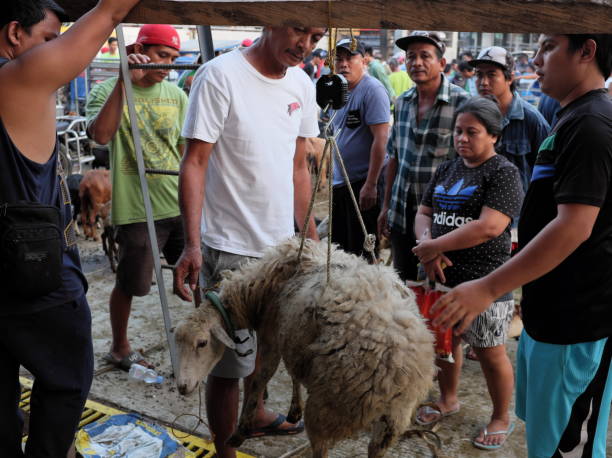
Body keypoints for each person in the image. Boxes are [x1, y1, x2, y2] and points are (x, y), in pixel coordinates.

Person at [432, 34, 612, 457]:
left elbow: (573, 228)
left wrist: (488, 288)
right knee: (546, 437)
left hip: (577, 320)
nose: (536, 59)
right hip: (550, 312)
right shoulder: (570, 117)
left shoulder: (592, 124)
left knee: (568, 445)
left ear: (586, 50)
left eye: (549, 46)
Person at [173, 26, 326, 458]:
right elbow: (196, 162)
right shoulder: (219, 75)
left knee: (266, 349)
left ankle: (255, 411)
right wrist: (192, 243)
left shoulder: (301, 81)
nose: (306, 45)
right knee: (226, 362)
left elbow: (299, 166)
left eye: (315, 36)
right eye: (299, 31)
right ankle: (224, 450)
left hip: (278, 251)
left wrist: (309, 238)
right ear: (269, 20)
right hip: (229, 247)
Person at [0, 0, 140, 456]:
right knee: (66, 381)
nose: (55, 51)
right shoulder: (18, 79)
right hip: (35, 275)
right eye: (48, 39)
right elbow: (112, 11)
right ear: (14, 33)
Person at [412, 97, 524, 450]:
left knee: (490, 350)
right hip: (441, 276)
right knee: (445, 345)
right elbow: (424, 212)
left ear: (493, 135)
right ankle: (448, 399)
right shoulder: (447, 169)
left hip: (485, 282)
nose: (462, 138)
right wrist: (427, 244)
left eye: (471, 132)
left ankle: (501, 417)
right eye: (459, 131)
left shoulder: (503, 172)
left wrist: (435, 246)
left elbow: (490, 226)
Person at [87, 24, 188, 371]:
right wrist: (123, 80)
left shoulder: (176, 96)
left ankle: (207, 340)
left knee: (199, 276)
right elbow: (100, 136)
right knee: (132, 283)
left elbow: (186, 152)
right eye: (162, 56)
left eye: (173, 59)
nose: (168, 66)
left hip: (178, 202)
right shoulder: (106, 90)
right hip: (137, 208)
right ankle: (119, 346)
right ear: (138, 49)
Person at [379, 30, 469, 281]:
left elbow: (470, 167)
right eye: (411, 57)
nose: (416, 62)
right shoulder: (403, 102)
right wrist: (385, 206)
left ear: (441, 63)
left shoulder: (462, 103)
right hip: (401, 212)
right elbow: (394, 157)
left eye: (424, 56)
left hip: (441, 217)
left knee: (438, 286)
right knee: (403, 286)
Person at [330, 38, 390, 258]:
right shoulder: (339, 90)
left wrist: (371, 184)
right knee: (340, 248)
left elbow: (381, 139)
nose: (344, 64)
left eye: (350, 58)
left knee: (362, 250)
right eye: (339, 59)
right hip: (341, 181)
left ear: (364, 60)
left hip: (362, 183)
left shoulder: (372, 90)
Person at [470, 46, 550, 192]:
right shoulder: (471, 116)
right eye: (479, 75)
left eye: (491, 75)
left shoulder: (532, 120)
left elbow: (547, 176)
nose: (484, 82)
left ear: (510, 78)